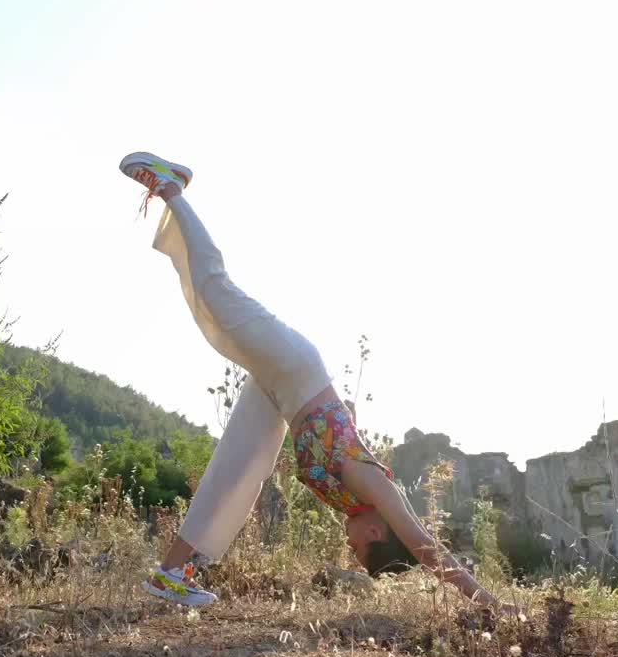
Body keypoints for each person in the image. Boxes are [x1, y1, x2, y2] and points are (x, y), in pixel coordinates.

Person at [118, 151, 502, 610]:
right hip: (295, 369)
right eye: (360, 550)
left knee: (237, 469)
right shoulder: (373, 488)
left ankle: (173, 572)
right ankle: (172, 187)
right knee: (218, 295)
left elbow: (340, 428)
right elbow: (425, 547)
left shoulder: (352, 497)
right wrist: (490, 602)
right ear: (377, 532)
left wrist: (340, 416)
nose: (350, 548)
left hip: (283, 393)